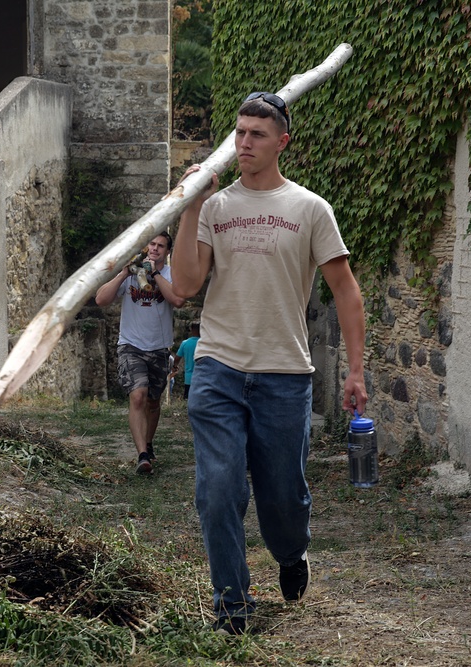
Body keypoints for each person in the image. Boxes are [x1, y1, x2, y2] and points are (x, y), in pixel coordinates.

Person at [171, 91, 368, 634]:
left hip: (284, 373)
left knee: (283, 495)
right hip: (218, 367)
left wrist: (354, 369)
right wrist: (190, 206)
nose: (244, 143)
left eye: (256, 134)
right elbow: (185, 285)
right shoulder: (215, 207)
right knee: (218, 490)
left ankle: (290, 553)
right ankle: (232, 607)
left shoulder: (309, 208)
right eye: (238, 133)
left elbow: (346, 292)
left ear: (282, 142)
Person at [95, 232, 185, 474]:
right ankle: (142, 455)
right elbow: (101, 299)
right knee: (138, 396)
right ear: (146, 247)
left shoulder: (170, 274)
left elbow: (177, 300)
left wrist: (154, 273)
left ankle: (148, 443)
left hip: (158, 347)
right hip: (131, 345)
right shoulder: (131, 274)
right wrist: (125, 273)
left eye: (161, 246)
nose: (155, 249)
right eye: (152, 244)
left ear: (167, 252)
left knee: (153, 402)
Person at [168, 321, 200, 399]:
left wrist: (175, 366)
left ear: (191, 330)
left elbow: (177, 358)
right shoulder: (204, 343)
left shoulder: (185, 343)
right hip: (202, 378)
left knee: (187, 401)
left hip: (188, 378)